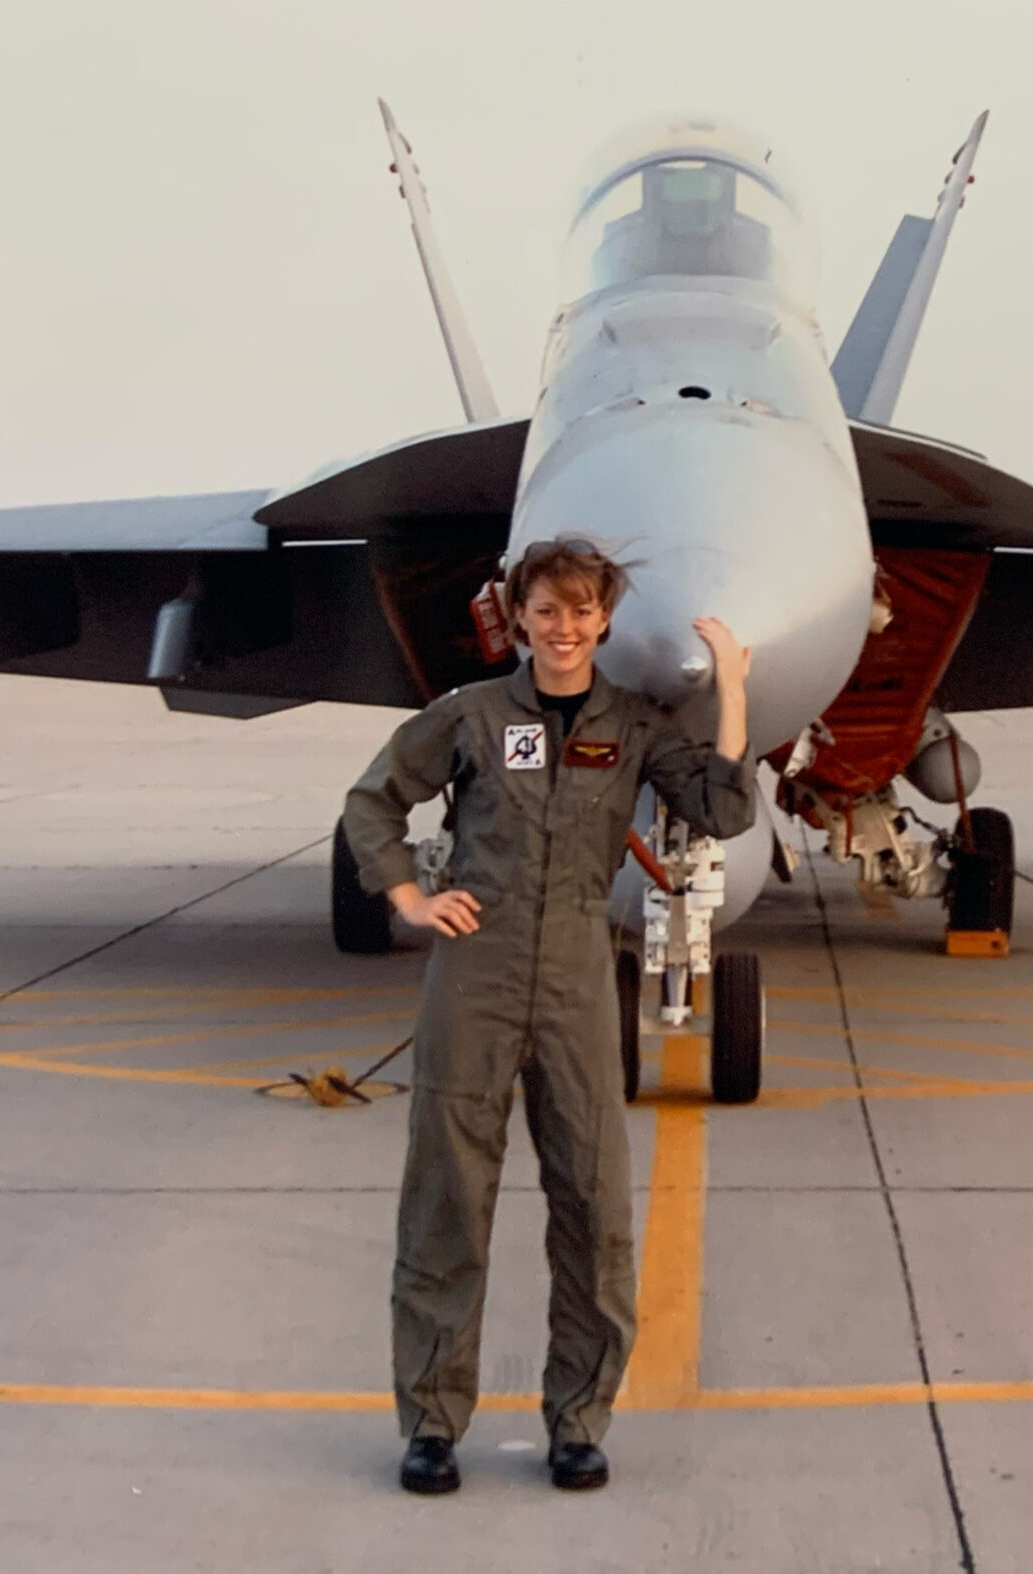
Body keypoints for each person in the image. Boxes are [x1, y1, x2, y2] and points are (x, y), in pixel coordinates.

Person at [340, 538, 755, 1495]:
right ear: (517, 616)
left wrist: (730, 687)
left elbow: (723, 808)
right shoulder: (471, 718)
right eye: (546, 610)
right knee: (448, 1204)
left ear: (603, 621)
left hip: (575, 979)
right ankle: (433, 1426)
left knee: (595, 1210)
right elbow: (373, 804)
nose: (563, 629)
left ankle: (578, 1421)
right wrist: (407, 896)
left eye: (580, 612)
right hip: (474, 978)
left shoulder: (636, 726)